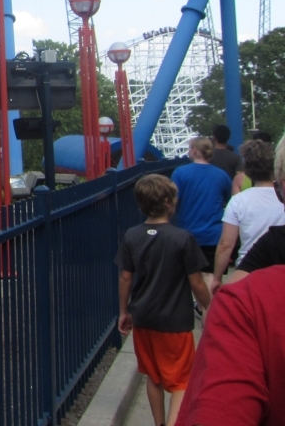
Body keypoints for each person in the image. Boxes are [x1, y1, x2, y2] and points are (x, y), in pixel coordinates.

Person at [116, 174, 210, 426]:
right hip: (175, 321)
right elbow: (197, 282)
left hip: (143, 318)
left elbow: (126, 278)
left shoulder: (132, 236)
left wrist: (124, 311)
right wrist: (211, 306)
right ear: (169, 202)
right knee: (182, 381)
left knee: (153, 376)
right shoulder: (182, 238)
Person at [177, 266, 285, 422]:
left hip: (147, 321)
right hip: (176, 326)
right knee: (176, 383)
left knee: (159, 379)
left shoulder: (246, 301)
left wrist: (216, 289)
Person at [210, 140, 285, 294]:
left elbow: (226, 244)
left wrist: (217, 277)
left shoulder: (239, 201)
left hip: (248, 270)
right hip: (279, 267)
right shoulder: (280, 199)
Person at [171, 136, 232, 286]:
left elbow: (174, 201)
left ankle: (202, 305)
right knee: (209, 275)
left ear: (195, 150)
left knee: (190, 276)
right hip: (213, 234)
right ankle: (208, 307)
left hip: (188, 232)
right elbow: (228, 200)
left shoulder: (180, 173)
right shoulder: (221, 175)